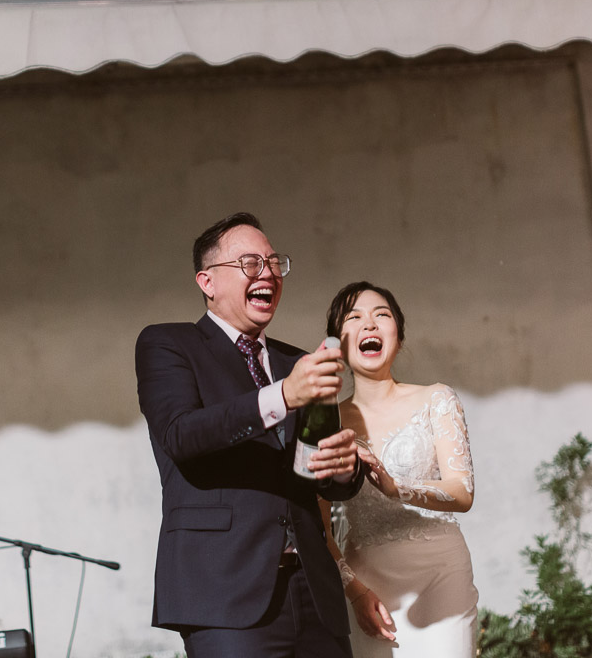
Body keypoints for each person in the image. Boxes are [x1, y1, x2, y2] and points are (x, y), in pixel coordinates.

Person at [136, 212, 365, 658]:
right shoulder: (168, 344)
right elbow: (181, 434)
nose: (268, 273)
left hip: (313, 593)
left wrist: (342, 468)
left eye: (274, 262)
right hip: (224, 594)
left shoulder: (296, 361)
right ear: (207, 282)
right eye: (250, 263)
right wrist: (284, 394)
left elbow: (313, 469)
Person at [319, 281, 478, 657]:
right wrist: (354, 592)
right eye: (353, 318)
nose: (369, 325)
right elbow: (317, 525)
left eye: (382, 316)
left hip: (442, 574)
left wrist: (397, 487)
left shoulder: (437, 398)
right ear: (337, 345)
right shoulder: (324, 421)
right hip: (368, 586)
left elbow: (462, 492)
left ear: (399, 338)